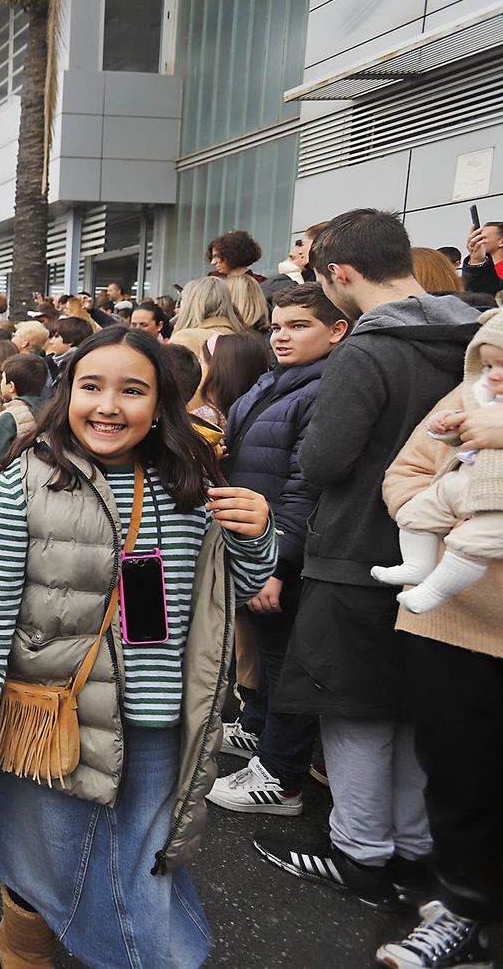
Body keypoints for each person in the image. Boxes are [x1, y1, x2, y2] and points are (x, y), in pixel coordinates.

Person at [0, 324, 275, 967]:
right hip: (51, 713)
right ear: (68, 395)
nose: (109, 406)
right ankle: (26, 944)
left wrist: (258, 536)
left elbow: (241, 591)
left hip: (159, 721)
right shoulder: (21, 485)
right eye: (91, 386)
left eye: (133, 390)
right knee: (47, 854)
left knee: (138, 875)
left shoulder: (192, 486)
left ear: (161, 404)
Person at [260, 209, 481, 909]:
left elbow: (324, 459)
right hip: (453, 556)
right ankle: (415, 853)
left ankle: (359, 855)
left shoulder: (368, 349)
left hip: (358, 550)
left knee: (352, 708)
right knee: (418, 708)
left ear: (341, 274)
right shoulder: (476, 333)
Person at [372, 365, 503, 969]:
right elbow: (405, 472)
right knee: (458, 774)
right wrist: (451, 518)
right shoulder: (475, 390)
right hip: (451, 620)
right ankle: (463, 907)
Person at [207, 284, 349, 819]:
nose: (282, 336)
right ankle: (259, 732)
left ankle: (279, 776)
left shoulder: (325, 390)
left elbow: (303, 486)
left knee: (287, 660)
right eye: (277, 326)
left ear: (337, 331)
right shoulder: (277, 381)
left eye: (298, 326)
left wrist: (277, 564)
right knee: (269, 653)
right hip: (252, 541)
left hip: (282, 552)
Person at [372, 310, 503, 613]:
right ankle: (417, 565)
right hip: (462, 483)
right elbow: (412, 464)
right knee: (416, 513)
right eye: (488, 365)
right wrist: (449, 428)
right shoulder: (479, 394)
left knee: (470, 542)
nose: (494, 374)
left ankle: (432, 589)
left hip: (493, 499)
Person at [0, 353, 47, 478]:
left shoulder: (9, 417)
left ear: (11, 386)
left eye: (3, 379)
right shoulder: (52, 410)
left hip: (15, 484)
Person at [462, 221, 502, 297]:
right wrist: (476, 261)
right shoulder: (478, 268)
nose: (477, 241)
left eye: (482, 238)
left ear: (501, 242)